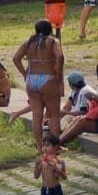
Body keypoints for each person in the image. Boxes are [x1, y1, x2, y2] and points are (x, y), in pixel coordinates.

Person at [12, 19, 65, 147]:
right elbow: (60, 57)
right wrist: (58, 73)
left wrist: (25, 73)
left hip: (31, 79)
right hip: (48, 79)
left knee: (37, 116)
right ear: (49, 29)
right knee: (54, 116)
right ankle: (54, 147)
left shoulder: (28, 42)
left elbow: (15, 58)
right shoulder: (53, 41)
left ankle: (39, 148)